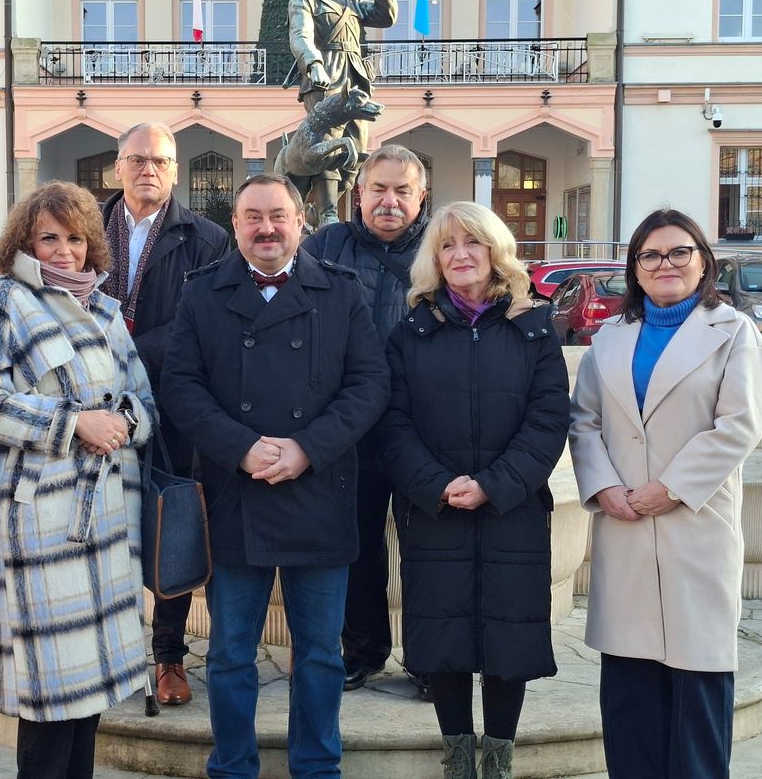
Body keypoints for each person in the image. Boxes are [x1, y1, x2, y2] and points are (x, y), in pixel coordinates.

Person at [161, 173, 390, 778]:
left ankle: (316, 767)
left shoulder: (341, 292)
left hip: (319, 492)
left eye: (279, 216)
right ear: (235, 224)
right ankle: (232, 766)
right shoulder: (203, 293)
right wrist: (239, 448)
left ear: (300, 223)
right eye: (253, 217)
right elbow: (181, 385)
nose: (267, 228)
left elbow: (369, 385)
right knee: (232, 652)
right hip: (237, 493)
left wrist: (306, 448)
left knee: (319, 654)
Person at [0, 181, 157, 779]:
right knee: (49, 693)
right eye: (49, 238)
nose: (65, 251)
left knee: (91, 690)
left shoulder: (103, 307)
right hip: (42, 519)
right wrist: (75, 423)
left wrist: (123, 421)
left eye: (75, 238)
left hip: (107, 518)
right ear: (24, 240)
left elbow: (143, 398)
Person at [569, 208, 762, 779]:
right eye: (651, 255)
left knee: (697, 687)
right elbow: (583, 421)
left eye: (679, 252)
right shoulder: (610, 337)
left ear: (702, 260)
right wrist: (604, 486)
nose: (666, 264)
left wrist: (674, 488)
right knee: (631, 692)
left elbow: (740, 424)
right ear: (635, 268)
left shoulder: (734, 333)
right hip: (625, 523)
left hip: (694, 524)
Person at [380, 201, 570, 779]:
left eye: (474, 243)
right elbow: (393, 422)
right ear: (434, 259)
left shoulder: (533, 328)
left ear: (495, 252)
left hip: (510, 510)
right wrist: (437, 485)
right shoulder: (411, 331)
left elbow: (548, 419)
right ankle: (458, 757)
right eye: (448, 245)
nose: (461, 255)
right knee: (445, 642)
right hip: (435, 512)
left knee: (509, 641)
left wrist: (494, 485)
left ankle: (499, 760)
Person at [102, 121, 230, 706]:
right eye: (137, 160)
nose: (147, 170)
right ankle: (106, 651)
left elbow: (202, 323)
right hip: (94, 404)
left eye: (159, 161)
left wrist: (126, 348)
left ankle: (169, 657)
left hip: (173, 404)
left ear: (175, 171)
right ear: (118, 167)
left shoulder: (205, 238)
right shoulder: (87, 228)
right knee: (103, 528)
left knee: (170, 525)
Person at [301, 144, 430, 696]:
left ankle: (430, 659)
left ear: (421, 197)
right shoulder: (326, 247)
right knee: (357, 545)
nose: (390, 201)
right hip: (349, 429)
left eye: (402, 190)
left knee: (427, 546)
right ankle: (364, 649)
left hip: (425, 428)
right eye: (379, 189)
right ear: (359, 193)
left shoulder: (444, 247)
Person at [288, 0, 396, 226]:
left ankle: (324, 206)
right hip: (326, 76)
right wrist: (314, 64)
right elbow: (300, 36)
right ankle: (328, 214)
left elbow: (386, 17)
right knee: (329, 142)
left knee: (354, 152)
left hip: (355, 77)